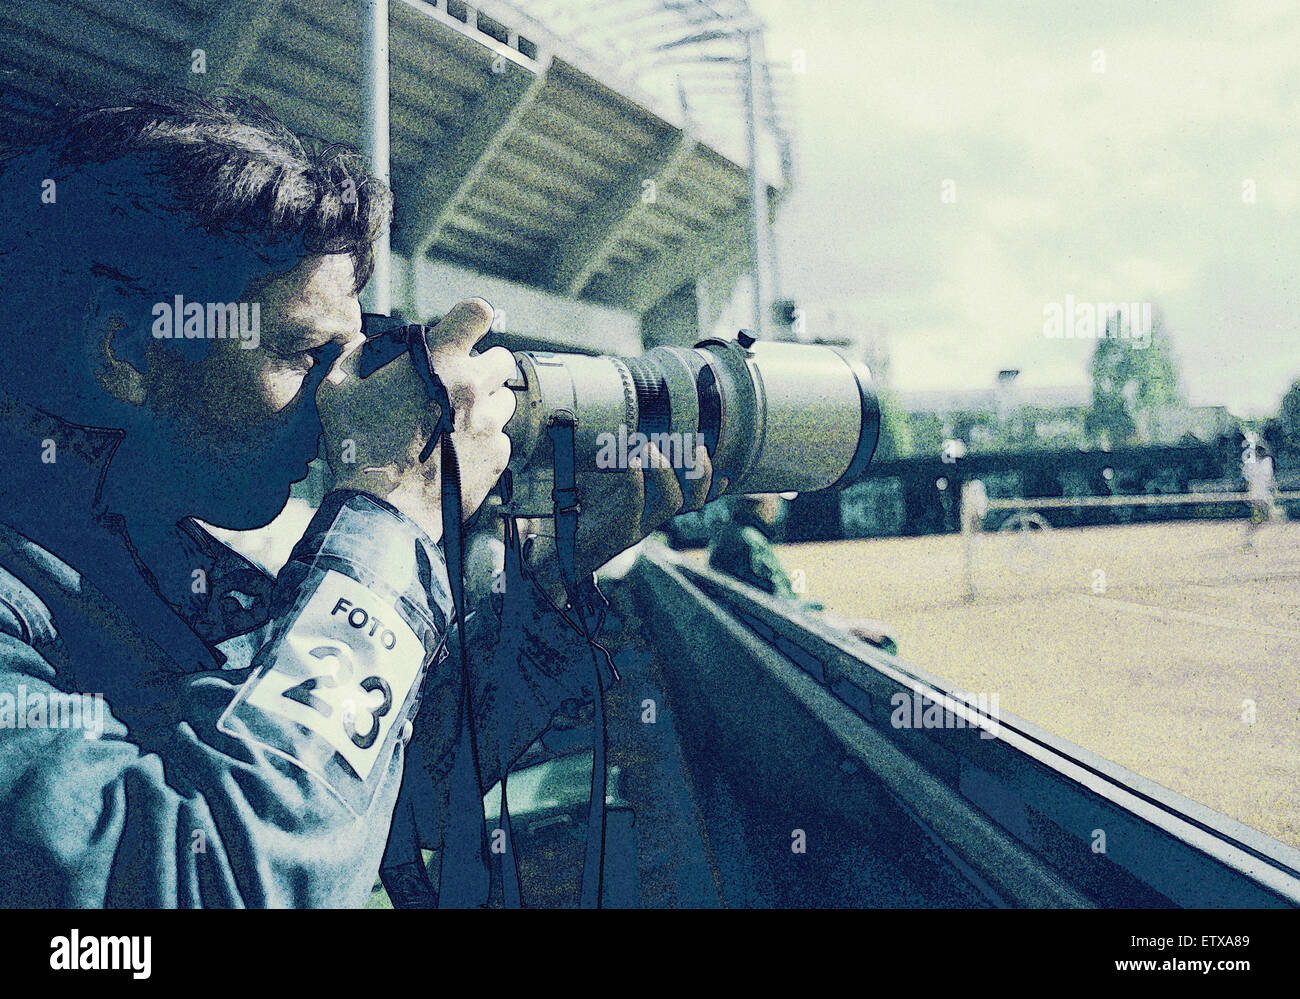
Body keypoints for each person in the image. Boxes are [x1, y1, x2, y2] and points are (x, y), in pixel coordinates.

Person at [0, 88, 712, 907]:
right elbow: (209, 879)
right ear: (127, 348)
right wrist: (387, 512)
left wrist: (539, 583)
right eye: (303, 350)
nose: (338, 395)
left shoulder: (131, 550)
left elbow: (364, 800)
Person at [707, 494, 898, 655]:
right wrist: (834, 623)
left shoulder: (730, 534)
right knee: (884, 640)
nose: (777, 507)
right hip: (776, 636)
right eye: (775, 500)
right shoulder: (750, 540)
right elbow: (780, 608)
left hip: (750, 627)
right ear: (761, 505)